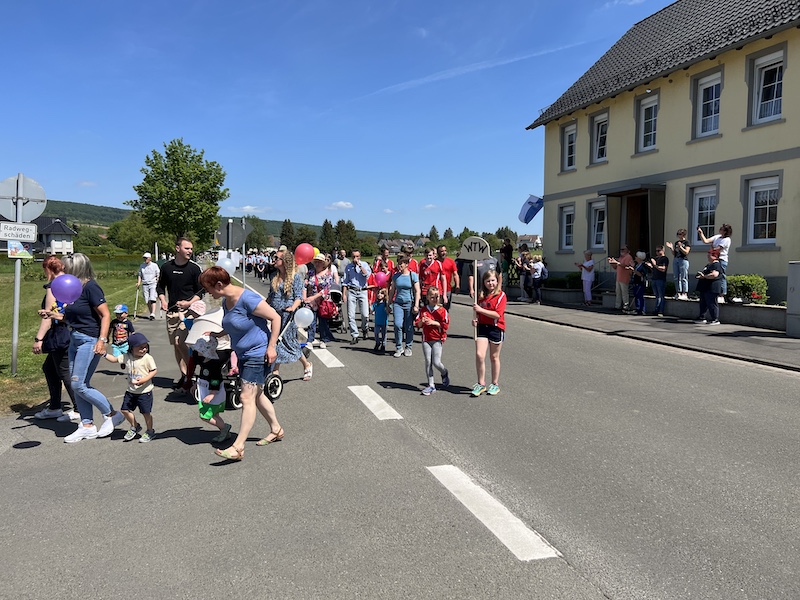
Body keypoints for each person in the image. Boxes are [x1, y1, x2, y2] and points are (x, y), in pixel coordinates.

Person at [199, 266, 283, 461]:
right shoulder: (226, 300)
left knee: (246, 397)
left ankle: (238, 447)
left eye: (208, 288)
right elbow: (233, 324)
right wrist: (218, 334)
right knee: (257, 395)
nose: (207, 293)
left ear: (218, 285)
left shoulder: (248, 299)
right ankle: (276, 429)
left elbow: (276, 317)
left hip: (258, 354)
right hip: (243, 354)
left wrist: (272, 347)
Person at [46, 253, 125, 443]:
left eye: (66, 268)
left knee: (78, 384)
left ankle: (112, 414)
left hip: (89, 340)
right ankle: (87, 425)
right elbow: (76, 317)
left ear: (77, 269)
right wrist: (53, 315)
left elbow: (105, 315)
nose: (63, 271)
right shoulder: (73, 289)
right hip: (75, 338)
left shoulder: (91, 287)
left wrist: (102, 340)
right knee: (80, 385)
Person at [32, 256, 78, 422]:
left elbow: (48, 316)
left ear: (48, 269)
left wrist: (39, 339)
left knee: (64, 371)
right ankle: (55, 406)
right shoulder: (72, 282)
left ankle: (79, 408)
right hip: (71, 329)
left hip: (59, 333)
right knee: (50, 368)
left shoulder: (53, 286)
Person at [157, 237, 204, 388]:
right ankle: (184, 375)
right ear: (178, 249)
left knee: (180, 341)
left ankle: (191, 373)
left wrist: (189, 303)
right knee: (176, 346)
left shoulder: (194, 269)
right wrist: (163, 300)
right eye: (187, 248)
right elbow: (160, 287)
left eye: (191, 248)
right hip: (172, 312)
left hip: (190, 312)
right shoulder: (166, 267)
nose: (190, 251)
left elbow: (201, 292)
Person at [101, 332, 157, 442]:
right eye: (140, 347)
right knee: (124, 410)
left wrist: (144, 380)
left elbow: (154, 371)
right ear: (131, 348)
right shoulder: (127, 357)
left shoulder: (147, 358)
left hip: (145, 391)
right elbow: (114, 360)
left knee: (146, 413)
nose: (144, 349)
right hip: (131, 391)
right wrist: (104, 354)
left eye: (145, 347)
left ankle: (150, 431)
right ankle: (135, 426)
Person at [267, 251, 313, 381]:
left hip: (287, 315)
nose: (274, 260)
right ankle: (275, 371)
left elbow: (298, 296)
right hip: (275, 314)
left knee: (289, 342)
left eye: (277, 258)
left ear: (284, 261)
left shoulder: (295, 277)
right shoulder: (274, 276)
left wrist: (292, 308)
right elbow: (271, 296)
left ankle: (306, 364)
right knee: (275, 341)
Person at [471, 270, 506, 397]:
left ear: (497, 281)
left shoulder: (501, 295)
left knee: (494, 357)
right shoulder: (480, 296)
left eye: (493, 280)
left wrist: (481, 310)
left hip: (495, 328)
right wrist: (475, 319)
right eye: (488, 281)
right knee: (480, 355)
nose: (490, 283)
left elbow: (497, 314)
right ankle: (481, 383)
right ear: (484, 282)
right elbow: (477, 313)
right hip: (482, 327)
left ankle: (495, 384)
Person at [414, 286, 450, 396]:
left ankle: (444, 372)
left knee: (436, 362)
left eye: (437, 297)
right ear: (428, 298)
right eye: (432, 297)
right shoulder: (423, 310)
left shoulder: (442, 311)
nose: (435, 299)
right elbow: (417, 324)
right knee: (428, 361)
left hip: (437, 339)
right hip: (426, 339)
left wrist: (434, 322)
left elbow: (445, 325)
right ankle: (431, 385)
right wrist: (422, 321)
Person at [303, 253, 339, 349]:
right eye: (316, 262)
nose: (318, 264)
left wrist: (314, 297)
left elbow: (326, 289)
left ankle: (324, 339)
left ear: (323, 264)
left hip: (323, 301)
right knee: (311, 321)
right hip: (311, 302)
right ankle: (310, 340)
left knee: (323, 321)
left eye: (320, 262)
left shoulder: (328, 274)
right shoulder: (310, 273)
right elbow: (304, 285)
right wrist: (305, 298)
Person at [388, 255, 420, 358]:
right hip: (398, 303)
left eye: (401, 263)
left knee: (409, 326)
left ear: (406, 264)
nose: (399, 265)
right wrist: (389, 304)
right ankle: (399, 347)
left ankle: (408, 347)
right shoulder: (396, 276)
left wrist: (416, 305)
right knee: (397, 325)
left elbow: (417, 291)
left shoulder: (413, 275)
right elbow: (392, 291)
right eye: (398, 263)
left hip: (409, 303)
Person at [342, 249, 371, 344]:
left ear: (360, 256)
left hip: (362, 290)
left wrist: (360, 266)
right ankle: (355, 335)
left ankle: (365, 328)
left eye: (357, 256)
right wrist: (344, 294)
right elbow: (345, 281)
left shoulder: (364, 265)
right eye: (354, 256)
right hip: (352, 291)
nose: (355, 258)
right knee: (351, 315)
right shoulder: (348, 267)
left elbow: (366, 275)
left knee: (365, 314)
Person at [697, 224, 732, 302]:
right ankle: (715, 293)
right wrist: (701, 233)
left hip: (722, 259)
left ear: (725, 231)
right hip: (714, 259)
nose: (720, 230)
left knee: (722, 276)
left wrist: (712, 248)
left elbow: (717, 249)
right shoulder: (717, 237)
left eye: (722, 229)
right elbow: (706, 241)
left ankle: (722, 295)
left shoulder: (727, 239)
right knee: (714, 276)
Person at [694, 248, 723, 325]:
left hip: (711, 288)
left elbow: (714, 274)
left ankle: (715, 319)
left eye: (709, 255)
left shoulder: (716, 265)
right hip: (705, 288)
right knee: (703, 303)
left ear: (714, 256)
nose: (707, 256)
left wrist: (704, 276)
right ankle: (702, 317)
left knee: (712, 303)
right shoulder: (709, 265)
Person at [666, 229, 691, 300]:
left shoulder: (687, 242)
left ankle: (685, 293)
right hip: (676, 259)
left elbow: (686, 252)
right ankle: (678, 292)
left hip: (683, 260)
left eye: (680, 234)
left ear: (683, 235)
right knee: (676, 277)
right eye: (678, 234)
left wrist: (681, 247)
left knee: (684, 277)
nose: (678, 236)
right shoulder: (677, 242)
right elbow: (674, 253)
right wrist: (671, 248)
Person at [607, 246, 634, 312]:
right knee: (618, 293)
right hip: (618, 278)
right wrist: (612, 263)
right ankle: (617, 306)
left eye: (623, 249)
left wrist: (617, 262)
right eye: (621, 249)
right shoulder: (621, 258)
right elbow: (616, 267)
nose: (621, 250)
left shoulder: (628, 257)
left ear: (627, 250)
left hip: (624, 277)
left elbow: (626, 266)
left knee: (624, 292)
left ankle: (626, 306)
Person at [137, 252, 160, 320]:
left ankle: (153, 313)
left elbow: (158, 273)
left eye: (146, 258)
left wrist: (158, 281)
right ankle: (151, 313)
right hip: (145, 284)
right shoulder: (142, 266)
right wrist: (138, 282)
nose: (145, 259)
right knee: (147, 300)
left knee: (152, 298)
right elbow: (140, 275)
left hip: (153, 283)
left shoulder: (154, 265)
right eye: (144, 258)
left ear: (150, 258)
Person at [437, 245, 460, 310]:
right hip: (437, 289)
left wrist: (457, 285)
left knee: (446, 309)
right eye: (442, 251)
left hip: (447, 289)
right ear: (438, 253)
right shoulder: (435, 262)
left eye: (445, 251)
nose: (444, 253)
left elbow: (455, 274)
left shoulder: (451, 262)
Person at [649, 246, 669, 316]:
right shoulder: (656, 258)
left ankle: (661, 311)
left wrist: (655, 265)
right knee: (657, 296)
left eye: (658, 251)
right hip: (654, 278)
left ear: (663, 250)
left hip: (660, 279)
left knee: (661, 296)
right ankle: (656, 309)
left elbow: (663, 269)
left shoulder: (665, 258)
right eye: (656, 251)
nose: (657, 252)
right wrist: (651, 266)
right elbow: (655, 269)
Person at [371, 288, 389, 354]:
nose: (379, 295)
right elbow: (372, 310)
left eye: (381, 293)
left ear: (384, 295)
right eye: (378, 293)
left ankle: (383, 345)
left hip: (384, 322)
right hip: (377, 322)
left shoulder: (385, 304)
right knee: (376, 333)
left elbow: (389, 310)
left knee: (384, 334)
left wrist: (388, 308)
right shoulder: (375, 303)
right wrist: (370, 309)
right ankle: (377, 342)